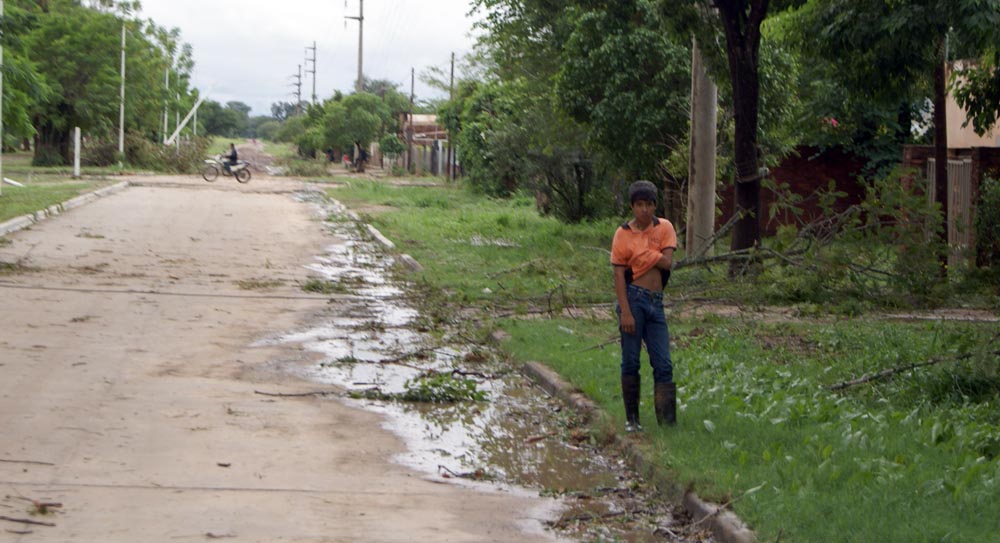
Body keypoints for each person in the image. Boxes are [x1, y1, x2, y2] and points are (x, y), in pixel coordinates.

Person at [610, 180, 678, 432]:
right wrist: (625, 311)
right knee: (631, 360)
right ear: (632, 207)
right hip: (633, 299)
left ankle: (668, 423)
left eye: (649, 205)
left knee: (663, 363)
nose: (644, 210)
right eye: (639, 205)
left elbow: (668, 262)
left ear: (655, 206)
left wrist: (643, 255)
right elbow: (618, 274)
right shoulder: (622, 234)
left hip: (655, 303)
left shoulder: (665, 228)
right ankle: (632, 420)